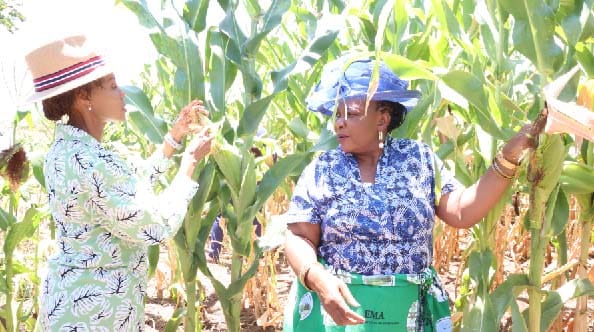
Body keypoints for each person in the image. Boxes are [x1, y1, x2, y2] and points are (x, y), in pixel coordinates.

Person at [282, 55, 544, 331]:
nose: (339, 123)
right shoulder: (323, 168)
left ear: (382, 119)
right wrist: (318, 279)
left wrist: (509, 155)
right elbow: (299, 236)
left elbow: (460, 210)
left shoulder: (419, 160)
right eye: (338, 115)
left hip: (408, 314)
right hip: (338, 315)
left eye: (353, 113)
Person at [24, 35, 213, 331]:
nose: (122, 93)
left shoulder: (66, 151)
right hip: (96, 314)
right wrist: (189, 162)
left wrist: (173, 138)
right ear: (84, 97)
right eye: (112, 86)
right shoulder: (91, 161)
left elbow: (128, 189)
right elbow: (154, 225)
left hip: (73, 305)